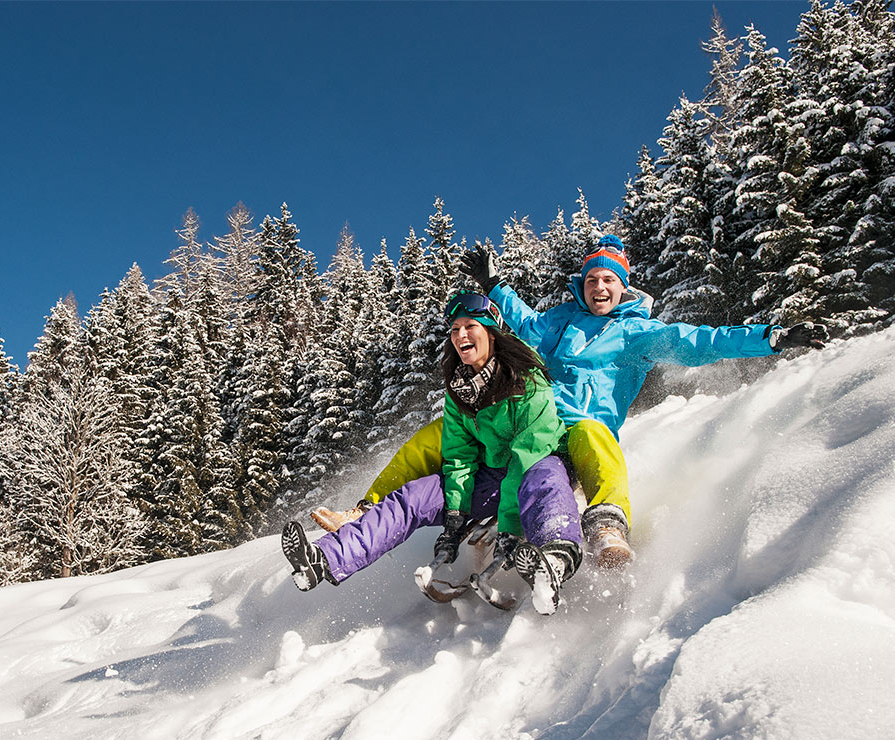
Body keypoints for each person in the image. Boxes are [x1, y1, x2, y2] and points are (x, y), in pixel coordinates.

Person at [311, 235, 828, 568]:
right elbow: (523, 320)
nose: (600, 286)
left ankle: (605, 523)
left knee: (595, 436)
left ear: (622, 288)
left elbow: (701, 341)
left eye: (610, 280)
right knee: (438, 436)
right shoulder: (560, 321)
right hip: (530, 420)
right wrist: (494, 285)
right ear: (582, 284)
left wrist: (770, 337)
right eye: (592, 279)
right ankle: (364, 512)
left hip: (578, 430)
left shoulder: (638, 334)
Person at [282, 291, 584, 613]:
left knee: (544, 480)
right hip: (493, 476)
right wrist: (455, 517)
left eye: (470, 326)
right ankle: (325, 558)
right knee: (414, 496)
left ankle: (555, 557)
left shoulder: (526, 379)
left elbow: (528, 454)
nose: (460, 335)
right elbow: (458, 457)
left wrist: (509, 526)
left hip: (539, 464)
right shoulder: (459, 389)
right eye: (454, 329)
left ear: (491, 332)